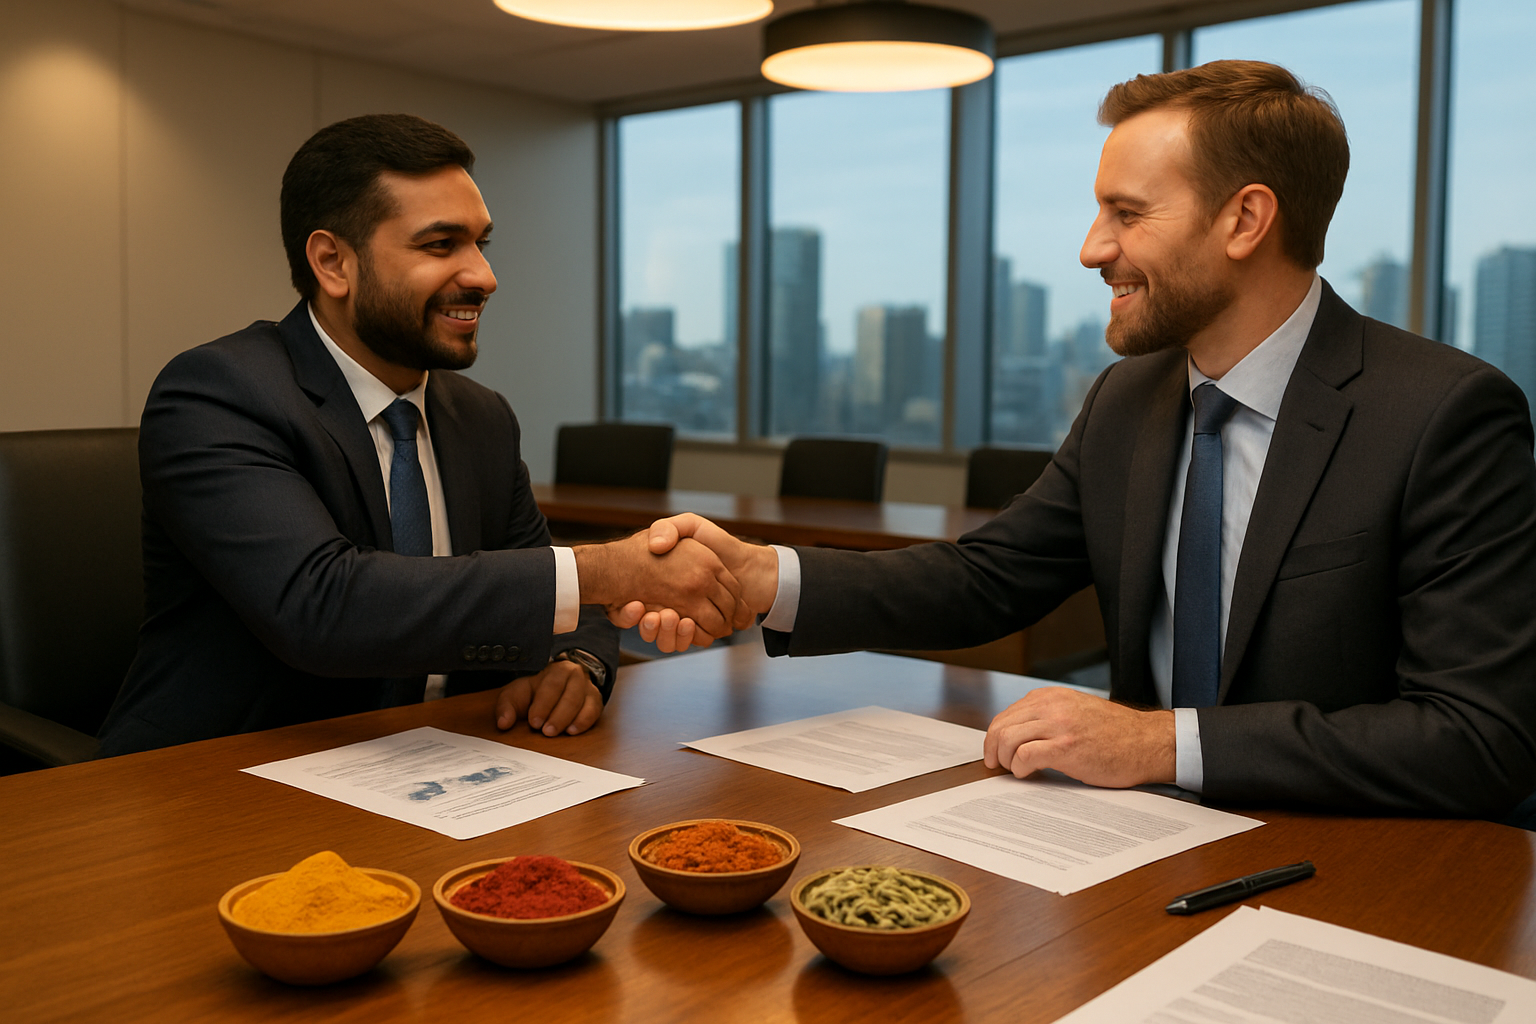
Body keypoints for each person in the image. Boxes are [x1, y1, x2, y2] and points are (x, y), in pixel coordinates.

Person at [642, 61, 1536, 819]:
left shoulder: (1443, 416)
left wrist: (1158, 740)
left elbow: (1479, 737)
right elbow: (987, 579)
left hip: (1349, 867)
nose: (1089, 248)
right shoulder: (1128, 399)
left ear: (1245, 220)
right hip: (1129, 847)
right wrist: (765, 577)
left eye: (1127, 213)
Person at [99, 114, 747, 756]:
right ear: (332, 263)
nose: (483, 277)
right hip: (223, 777)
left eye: (480, 244)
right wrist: (604, 569)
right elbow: (323, 607)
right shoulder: (220, 392)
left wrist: (577, 665)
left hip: (445, 763)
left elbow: (561, 597)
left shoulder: (482, 418)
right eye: (441, 245)